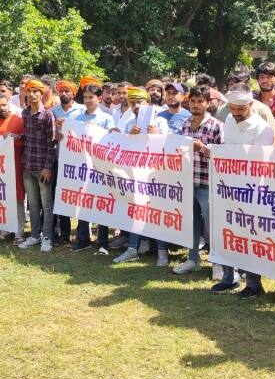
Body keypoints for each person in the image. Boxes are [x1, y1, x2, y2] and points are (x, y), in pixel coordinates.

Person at [210, 84, 275, 293]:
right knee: (226, 231)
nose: (236, 113)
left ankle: (254, 284)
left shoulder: (263, 129)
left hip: (251, 191)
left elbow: (260, 163)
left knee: (249, 236)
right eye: (233, 108)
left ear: (251, 104)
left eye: (241, 109)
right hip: (226, 188)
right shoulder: (229, 119)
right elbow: (226, 150)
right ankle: (229, 278)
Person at [113, 87, 171, 265]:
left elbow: (170, 145)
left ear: (148, 103)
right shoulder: (131, 125)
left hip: (156, 175)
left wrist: (157, 136)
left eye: (139, 102)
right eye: (132, 103)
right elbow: (123, 146)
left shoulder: (160, 121)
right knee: (135, 210)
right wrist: (130, 136)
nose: (136, 106)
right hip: (135, 174)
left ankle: (162, 251)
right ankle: (132, 248)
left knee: (156, 212)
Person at [172, 86, 225, 274]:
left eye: (200, 101)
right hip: (188, 182)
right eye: (193, 101)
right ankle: (192, 258)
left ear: (208, 103)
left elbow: (223, 157)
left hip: (207, 184)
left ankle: (218, 262)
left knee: (212, 225)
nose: (196, 105)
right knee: (191, 223)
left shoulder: (217, 126)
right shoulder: (185, 124)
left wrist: (202, 148)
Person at [71, 84, 115, 254]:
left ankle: (103, 241)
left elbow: (111, 141)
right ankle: (83, 239)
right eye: (85, 97)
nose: (88, 100)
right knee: (84, 202)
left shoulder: (106, 119)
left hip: (101, 168)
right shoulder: (77, 118)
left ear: (99, 98)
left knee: (101, 204)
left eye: (91, 97)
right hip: (82, 167)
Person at [18, 79, 57, 252]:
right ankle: (34, 236)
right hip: (27, 165)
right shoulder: (24, 114)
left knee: (46, 205)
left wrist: (48, 167)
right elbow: (27, 137)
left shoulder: (48, 115)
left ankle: (47, 237)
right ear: (26, 93)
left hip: (43, 168)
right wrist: (15, 136)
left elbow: (52, 143)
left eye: (36, 91)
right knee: (32, 204)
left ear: (42, 94)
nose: (32, 95)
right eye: (29, 91)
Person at [0, 94, 26, 244]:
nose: (2, 108)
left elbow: (25, 141)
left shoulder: (18, 121)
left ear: (9, 104)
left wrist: (16, 137)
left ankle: (19, 233)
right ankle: (4, 231)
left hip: (15, 167)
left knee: (18, 200)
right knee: (2, 200)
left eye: (4, 105)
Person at [50, 80, 86, 245]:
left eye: (67, 91)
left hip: (79, 161)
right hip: (59, 158)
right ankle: (64, 233)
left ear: (73, 93)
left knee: (80, 196)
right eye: (61, 91)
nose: (63, 94)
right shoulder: (53, 111)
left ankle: (81, 233)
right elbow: (49, 135)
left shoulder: (82, 110)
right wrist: (55, 133)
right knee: (62, 195)